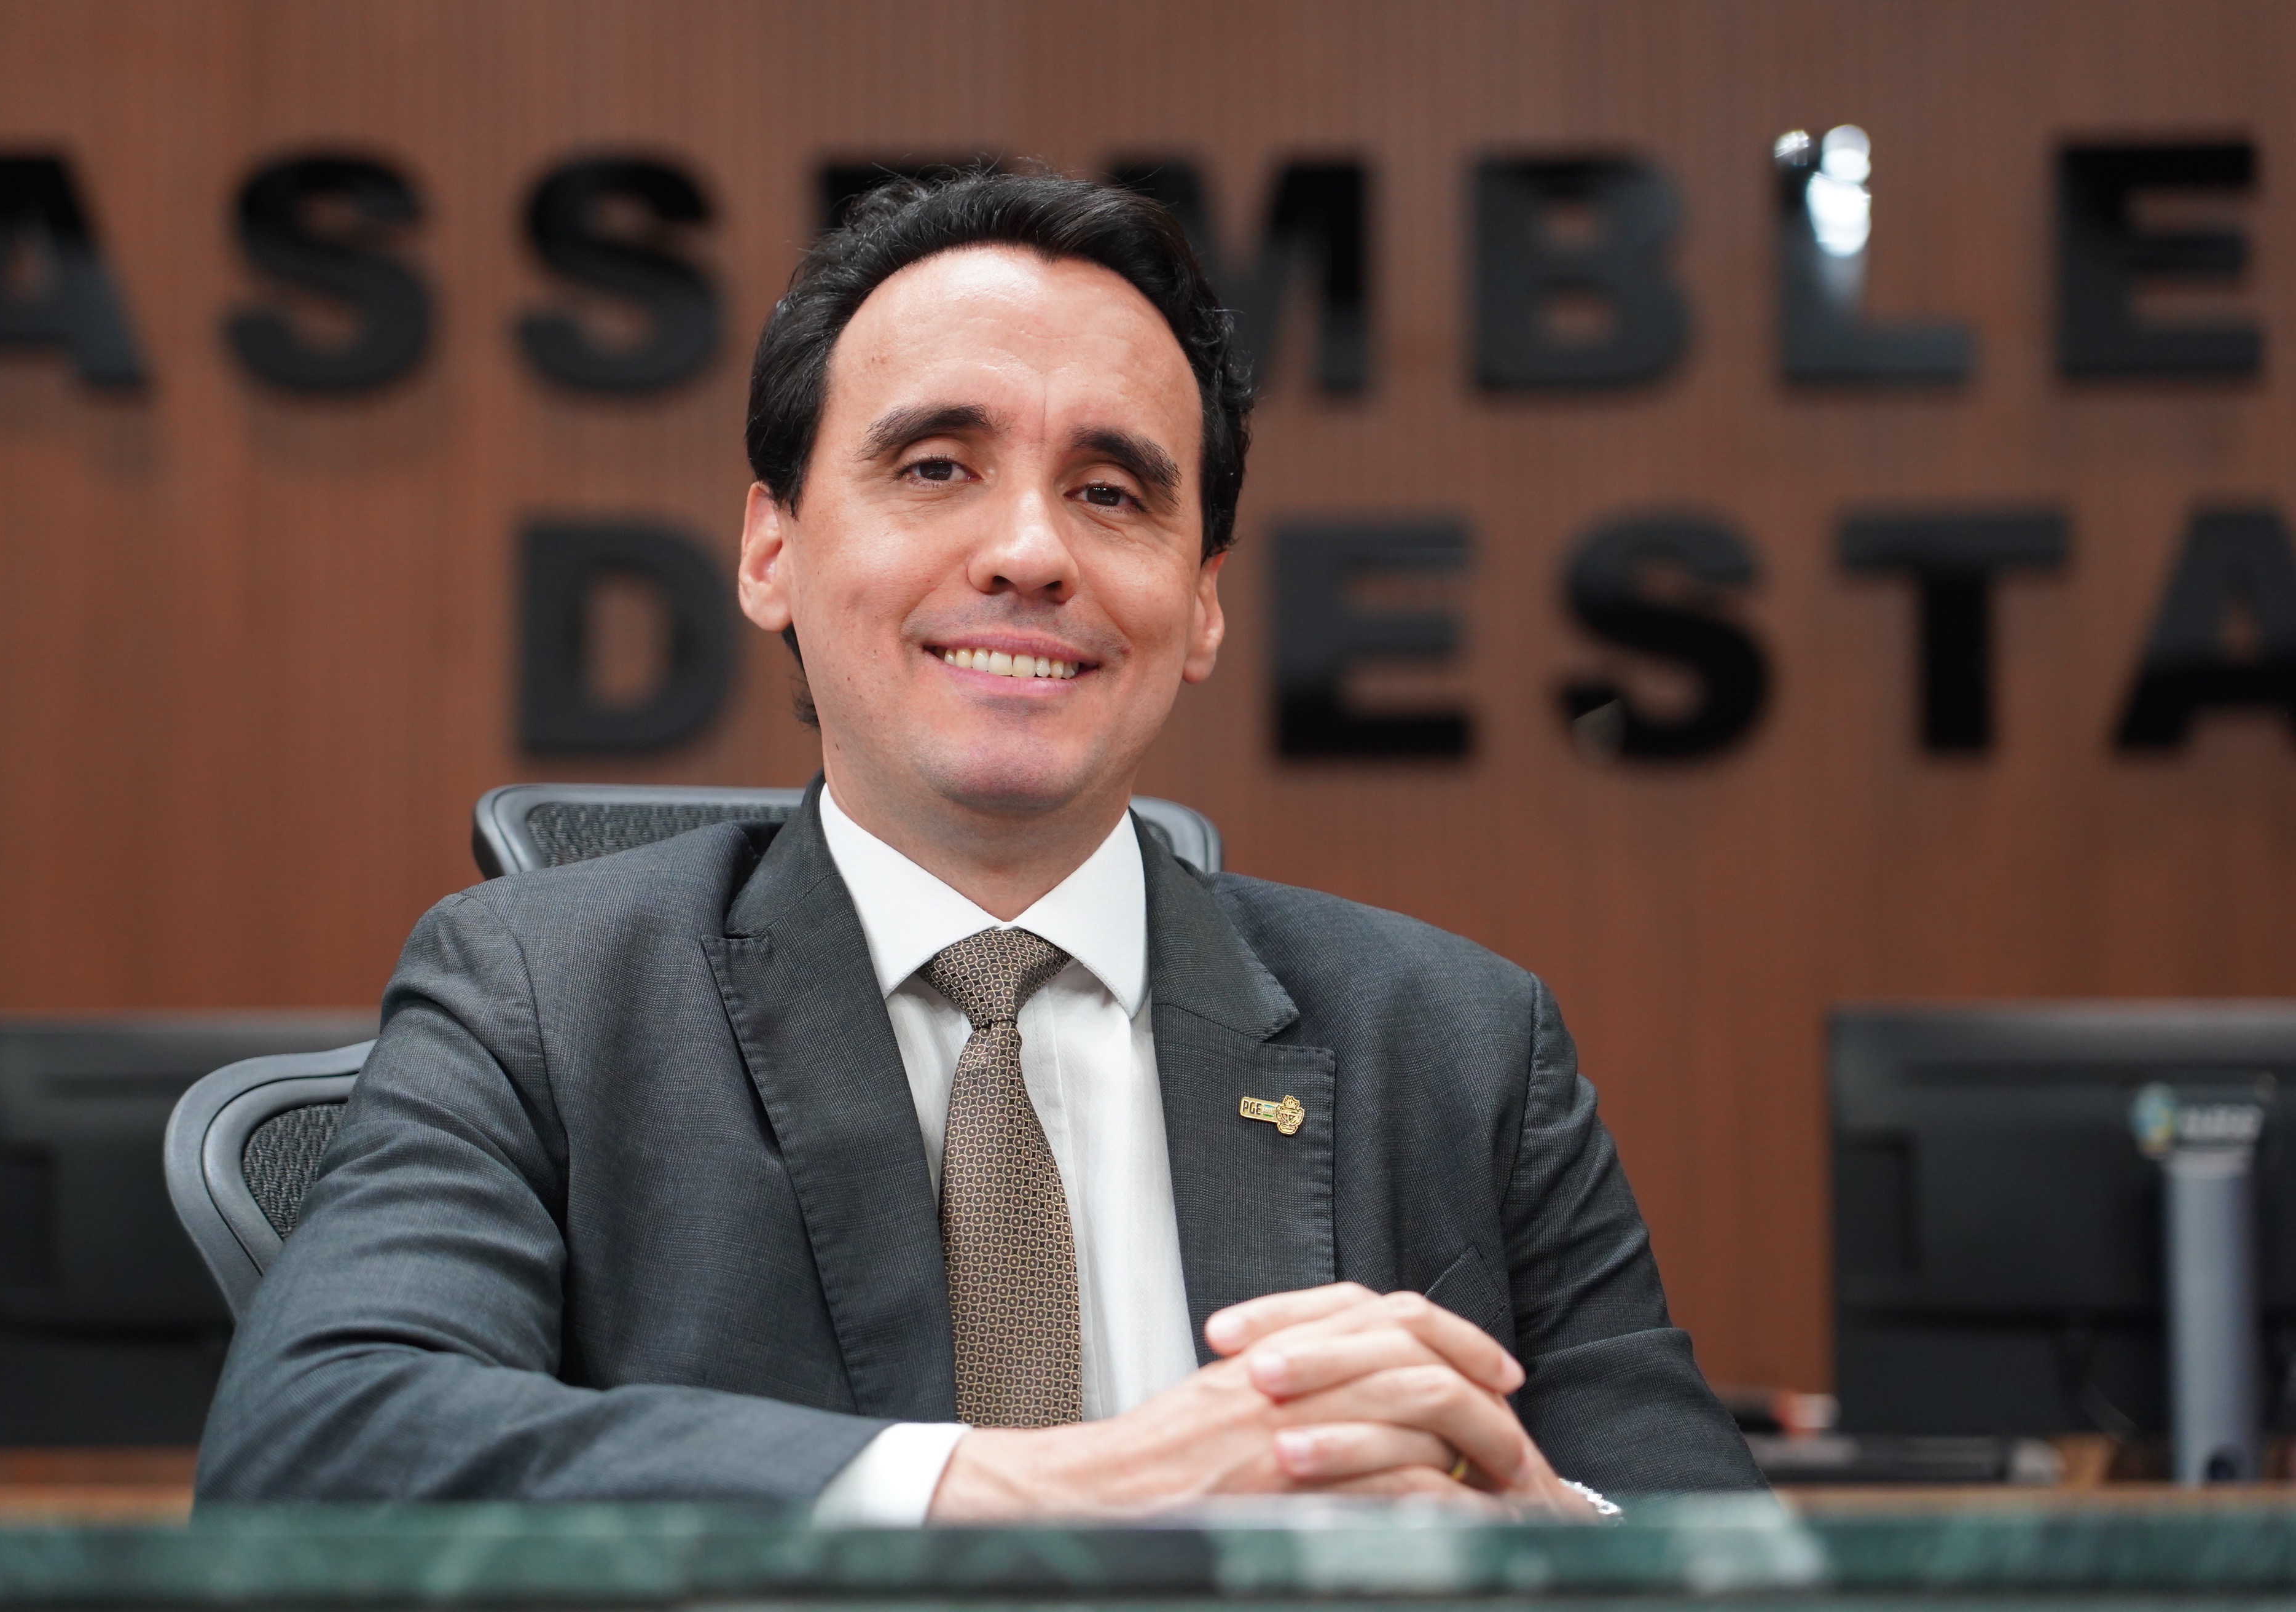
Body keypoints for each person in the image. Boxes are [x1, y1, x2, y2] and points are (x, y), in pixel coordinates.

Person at [197, 168, 1763, 1519]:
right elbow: (317, 1442)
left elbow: (1714, 1542)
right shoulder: (542, 994)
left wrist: (1532, 1531)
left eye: (1112, 492)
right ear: (771, 547)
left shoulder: (1460, 1041)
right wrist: (1056, 1486)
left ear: (1202, 603)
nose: (1029, 552)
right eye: (937, 467)